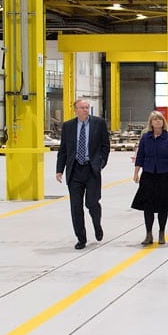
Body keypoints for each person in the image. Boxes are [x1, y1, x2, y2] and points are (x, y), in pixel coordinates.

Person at [56, 98, 110, 249]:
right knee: (76, 207)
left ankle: (97, 225)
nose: (85, 110)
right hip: (74, 171)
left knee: (92, 203)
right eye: (82, 108)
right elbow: (63, 150)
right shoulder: (68, 126)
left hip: (91, 169)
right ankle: (81, 238)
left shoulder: (98, 123)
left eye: (87, 107)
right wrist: (59, 170)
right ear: (76, 110)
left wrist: (101, 163)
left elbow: (106, 145)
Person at [131, 111, 168, 245]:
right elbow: (140, 156)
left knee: (162, 207)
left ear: (163, 122)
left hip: (165, 175)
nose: (158, 121)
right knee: (148, 207)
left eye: (160, 119)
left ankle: (161, 233)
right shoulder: (145, 138)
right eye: (155, 119)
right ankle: (148, 234)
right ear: (151, 123)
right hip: (148, 174)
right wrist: (136, 173)